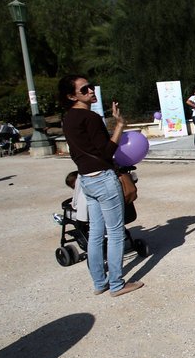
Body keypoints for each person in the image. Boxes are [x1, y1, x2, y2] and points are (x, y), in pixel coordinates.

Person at [58, 75, 143, 297]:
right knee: (115, 233)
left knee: (96, 233)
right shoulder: (90, 117)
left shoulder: (68, 119)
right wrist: (120, 125)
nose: (90, 91)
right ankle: (116, 284)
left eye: (90, 87)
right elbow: (107, 151)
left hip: (85, 179)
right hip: (103, 178)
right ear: (71, 95)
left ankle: (99, 282)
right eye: (84, 89)